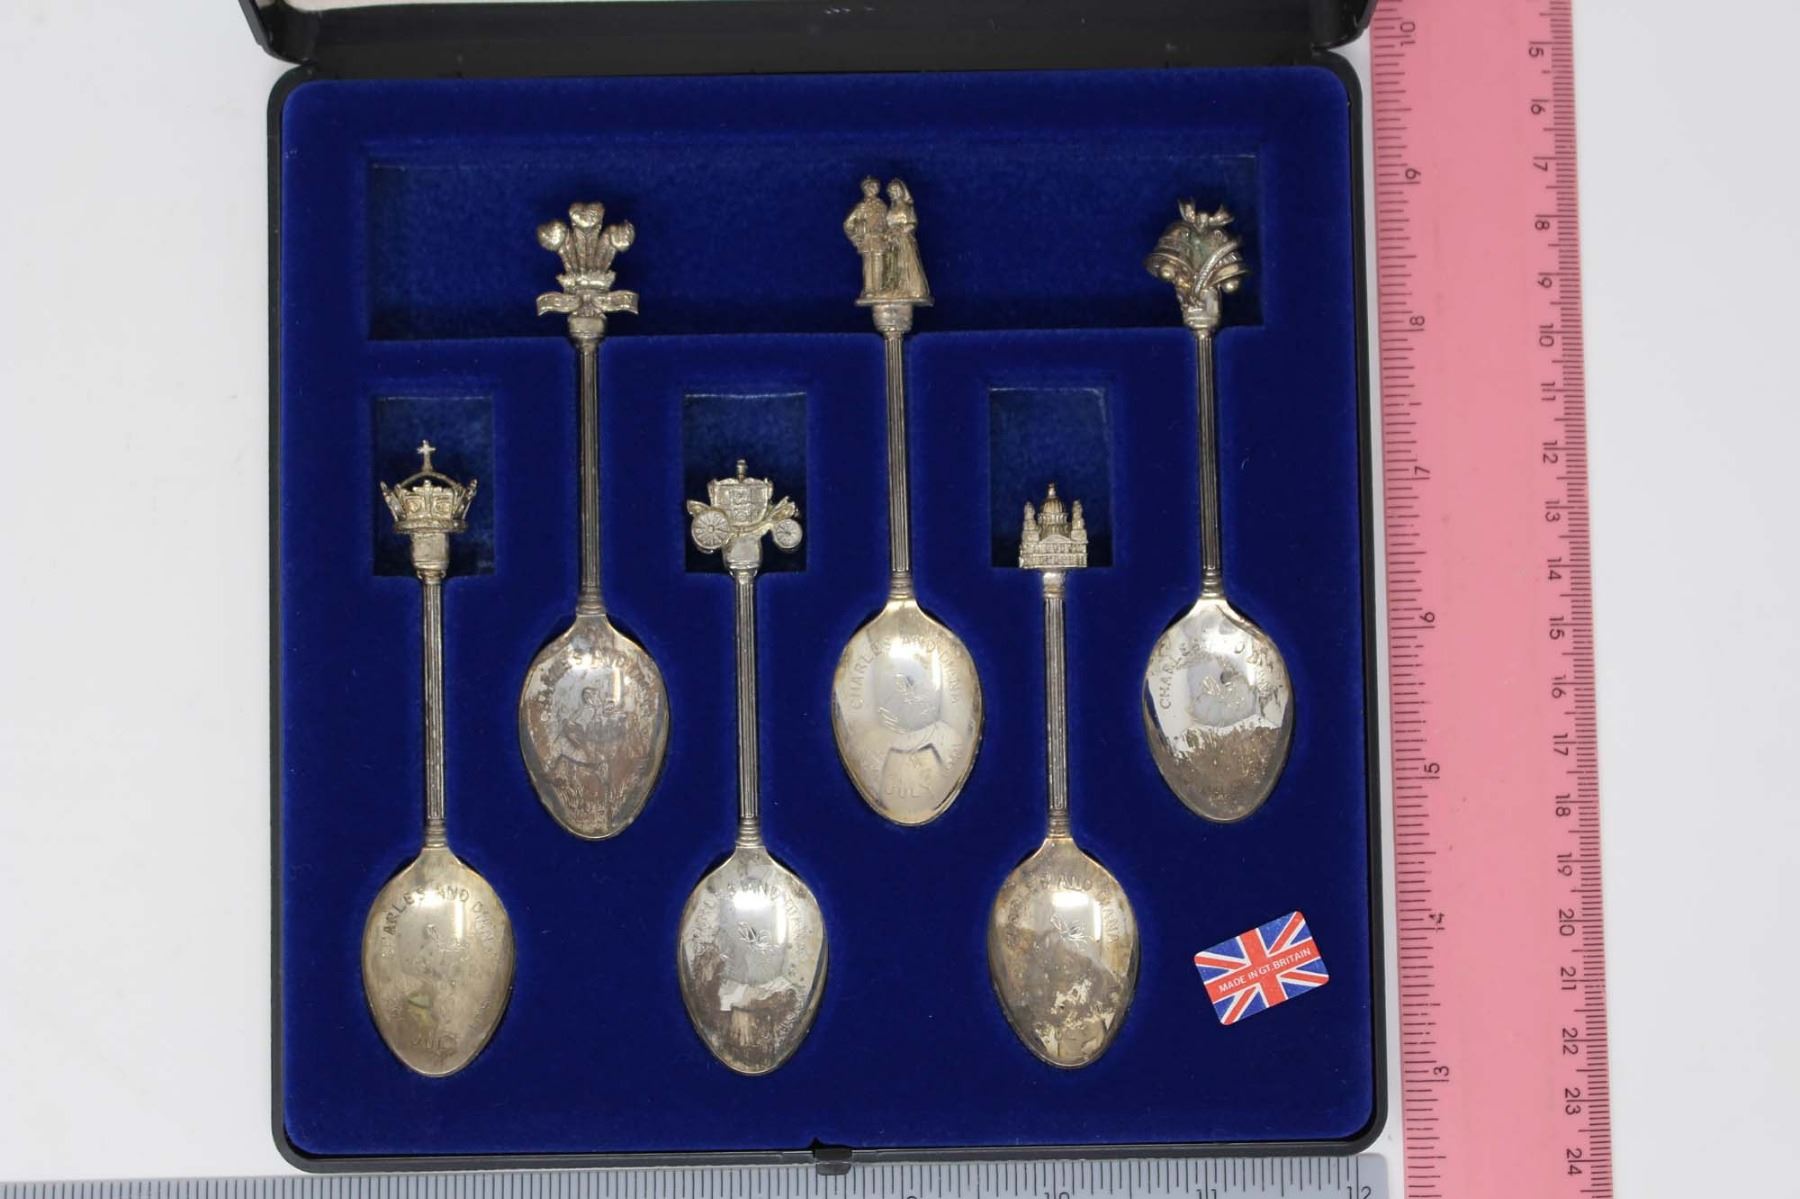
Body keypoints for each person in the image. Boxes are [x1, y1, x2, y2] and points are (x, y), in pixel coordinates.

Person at [882, 180, 931, 304]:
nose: (893, 193)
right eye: (891, 191)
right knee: (892, 265)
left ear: (901, 191)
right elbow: (887, 225)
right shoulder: (890, 209)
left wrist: (902, 230)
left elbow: (913, 223)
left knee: (904, 263)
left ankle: (908, 288)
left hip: (904, 240)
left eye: (895, 190)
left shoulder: (907, 207)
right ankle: (895, 287)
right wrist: (889, 234)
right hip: (892, 242)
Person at [843, 177, 890, 302]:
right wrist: (855, 238)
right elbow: (848, 224)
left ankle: (880, 289)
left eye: (874, 187)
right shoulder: (861, 207)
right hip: (867, 240)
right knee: (868, 265)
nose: (871, 190)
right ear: (864, 189)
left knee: (880, 265)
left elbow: (888, 223)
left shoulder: (882, 206)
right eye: (869, 187)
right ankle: (869, 290)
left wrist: (887, 235)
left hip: (880, 239)